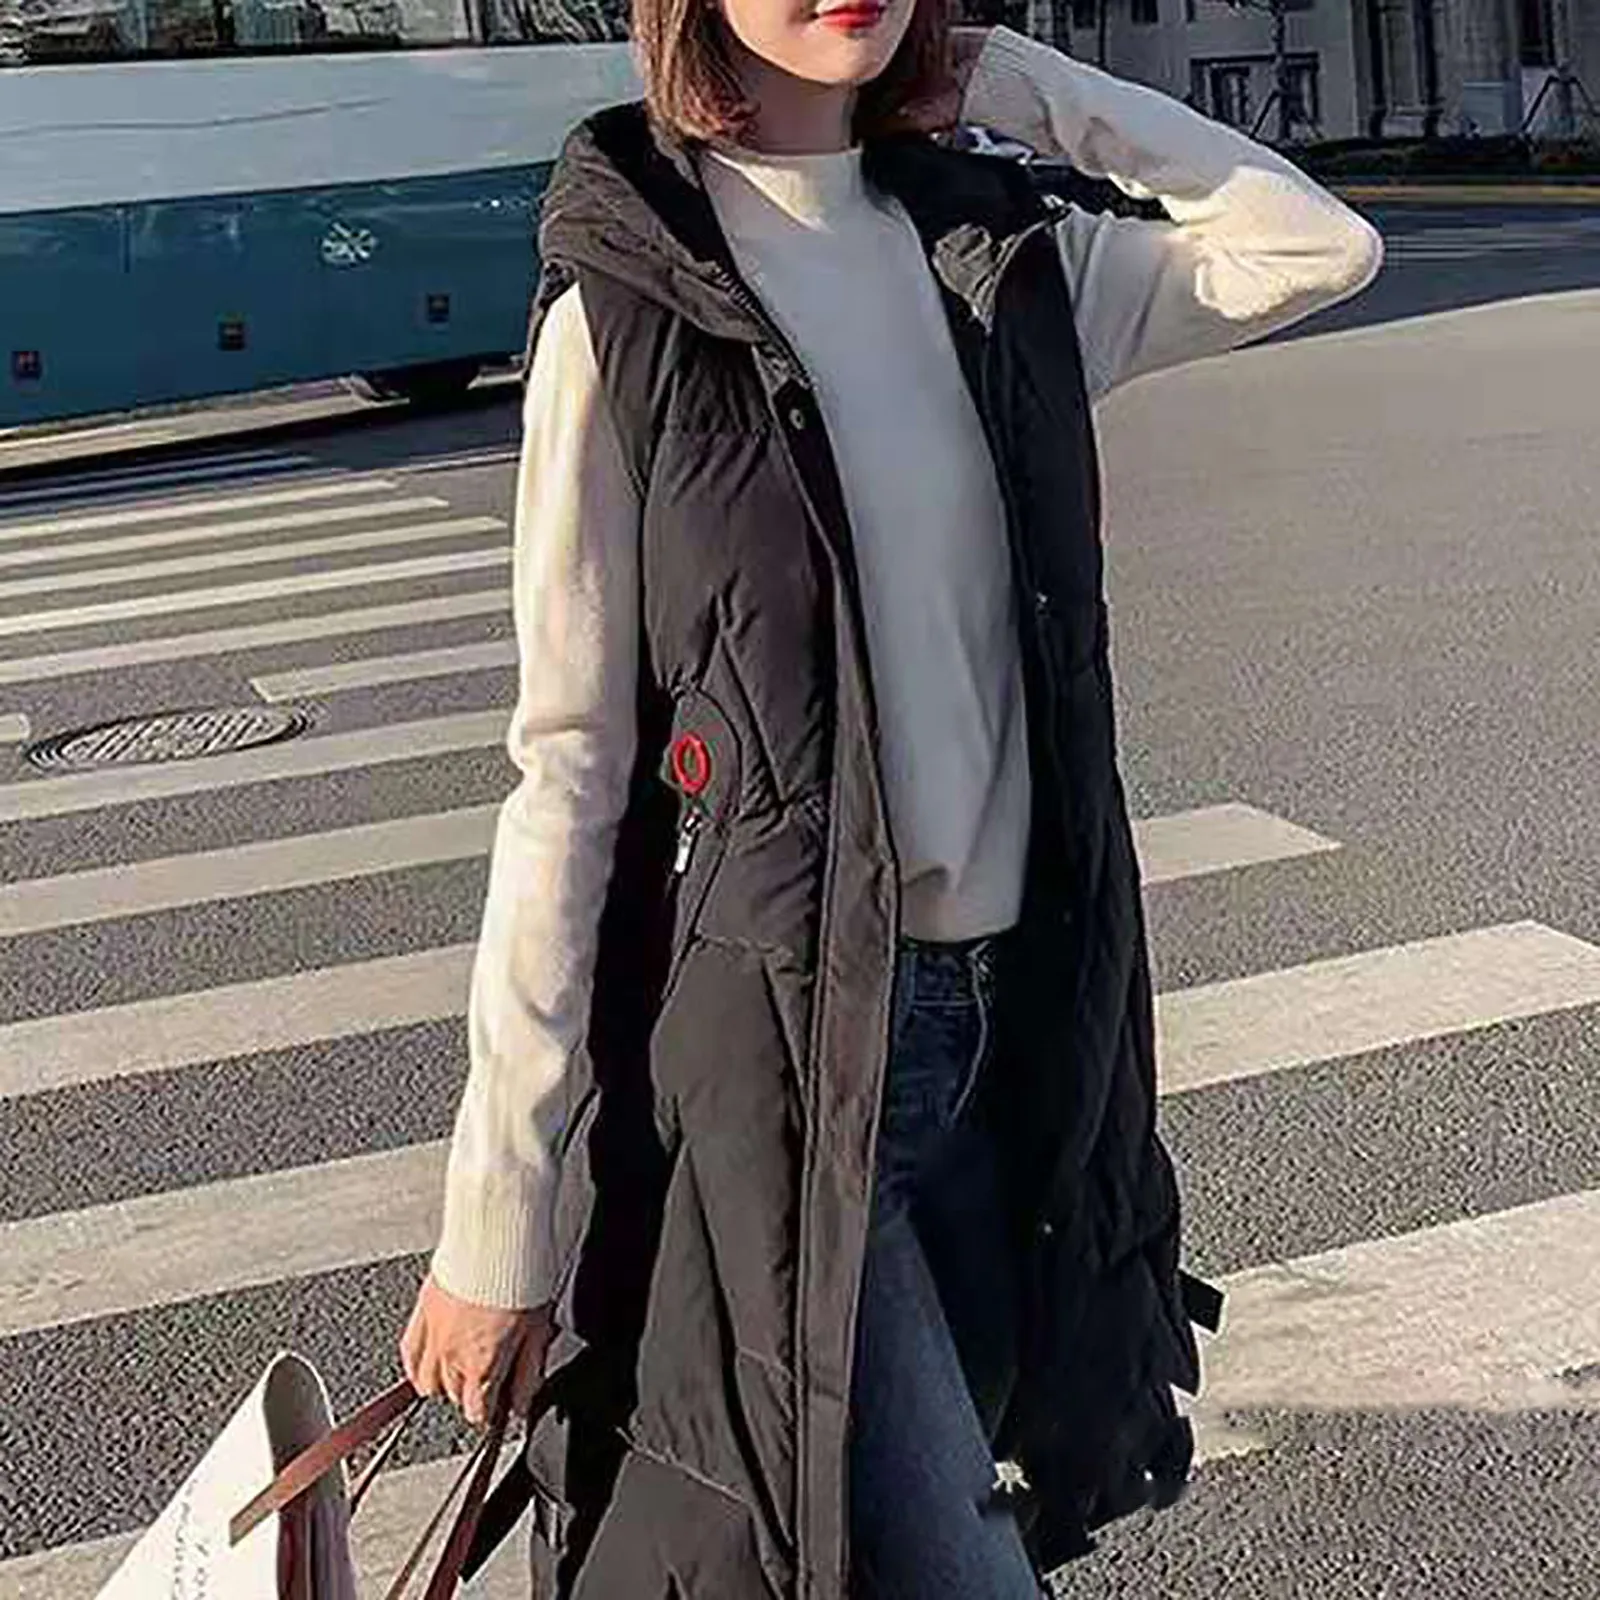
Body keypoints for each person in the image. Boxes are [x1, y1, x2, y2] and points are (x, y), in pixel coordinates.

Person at [400, 2, 1383, 1595]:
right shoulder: (628, 321)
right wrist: (495, 1215)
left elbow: (1315, 245)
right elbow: (567, 771)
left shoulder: (999, 269)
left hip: (1022, 1045)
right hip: (796, 1068)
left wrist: (1017, 81)